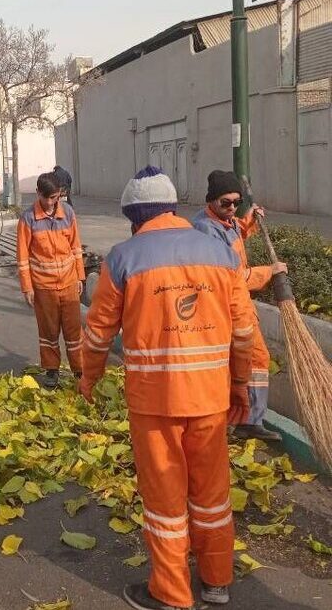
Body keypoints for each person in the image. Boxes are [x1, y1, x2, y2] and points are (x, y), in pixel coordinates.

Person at [80, 166, 255, 610]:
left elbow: (98, 333)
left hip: (154, 406)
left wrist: (90, 377)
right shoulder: (220, 253)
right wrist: (239, 384)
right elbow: (243, 332)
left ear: (134, 217)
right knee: (212, 495)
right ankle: (217, 582)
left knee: (165, 501)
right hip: (211, 400)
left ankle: (172, 593)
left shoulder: (123, 258)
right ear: (174, 208)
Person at [192, 170, 286, 442]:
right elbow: (230, 276)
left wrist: (250, 220)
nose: (232, 207)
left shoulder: (225, 220)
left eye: (237, 202)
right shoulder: (206, 231)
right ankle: (245, 420)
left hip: (238, 303)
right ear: (211, 201)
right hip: (226, 305)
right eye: (226, 203)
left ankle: (243, 418)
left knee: (247, 362)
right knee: (253, 360)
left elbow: (236, 236)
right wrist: (270, 272)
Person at [17, 172, 85, 389]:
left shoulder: (68, 214)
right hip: (43, 287)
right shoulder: (28, 219)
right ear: (38, 194)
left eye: (54, 197)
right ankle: (51, 370)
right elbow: (23, 257)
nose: (49, 202)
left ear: (60, 195)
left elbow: (76, 247)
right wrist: (27, 287)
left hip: (69, 283)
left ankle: (80, 370)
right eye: (46, 197)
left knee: (74, 331)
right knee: (48, 331)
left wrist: (80, 276)